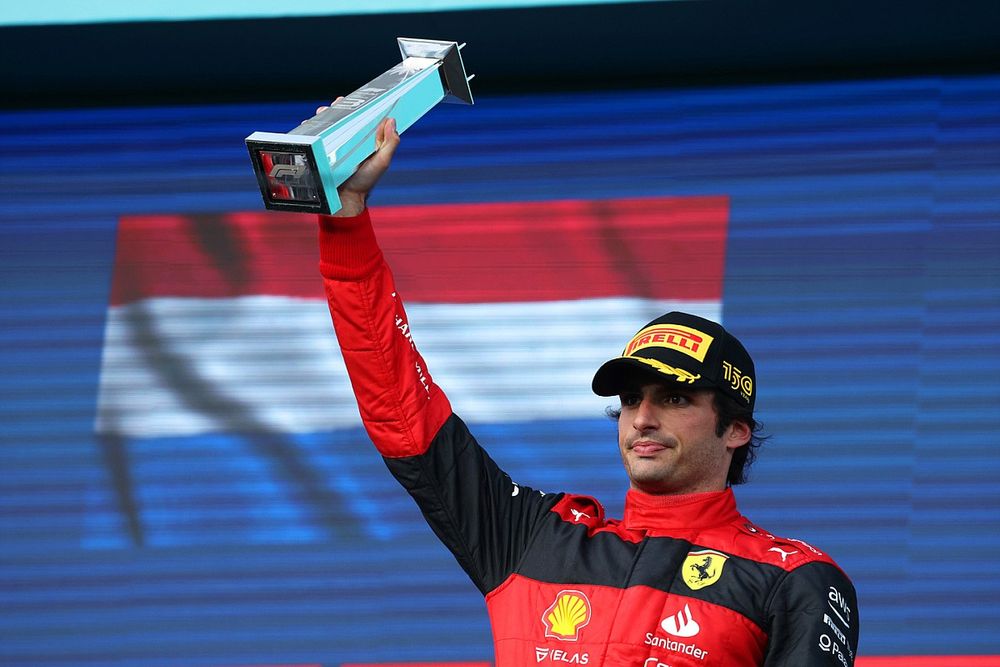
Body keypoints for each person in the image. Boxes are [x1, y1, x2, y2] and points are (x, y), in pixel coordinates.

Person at [317, 115, 859, 666]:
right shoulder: (532, 538)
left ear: (736, 429)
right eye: (629, 400)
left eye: (673, 398)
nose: (642, 418)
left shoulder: (792, 578)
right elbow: (403, 410)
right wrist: (346, 224)